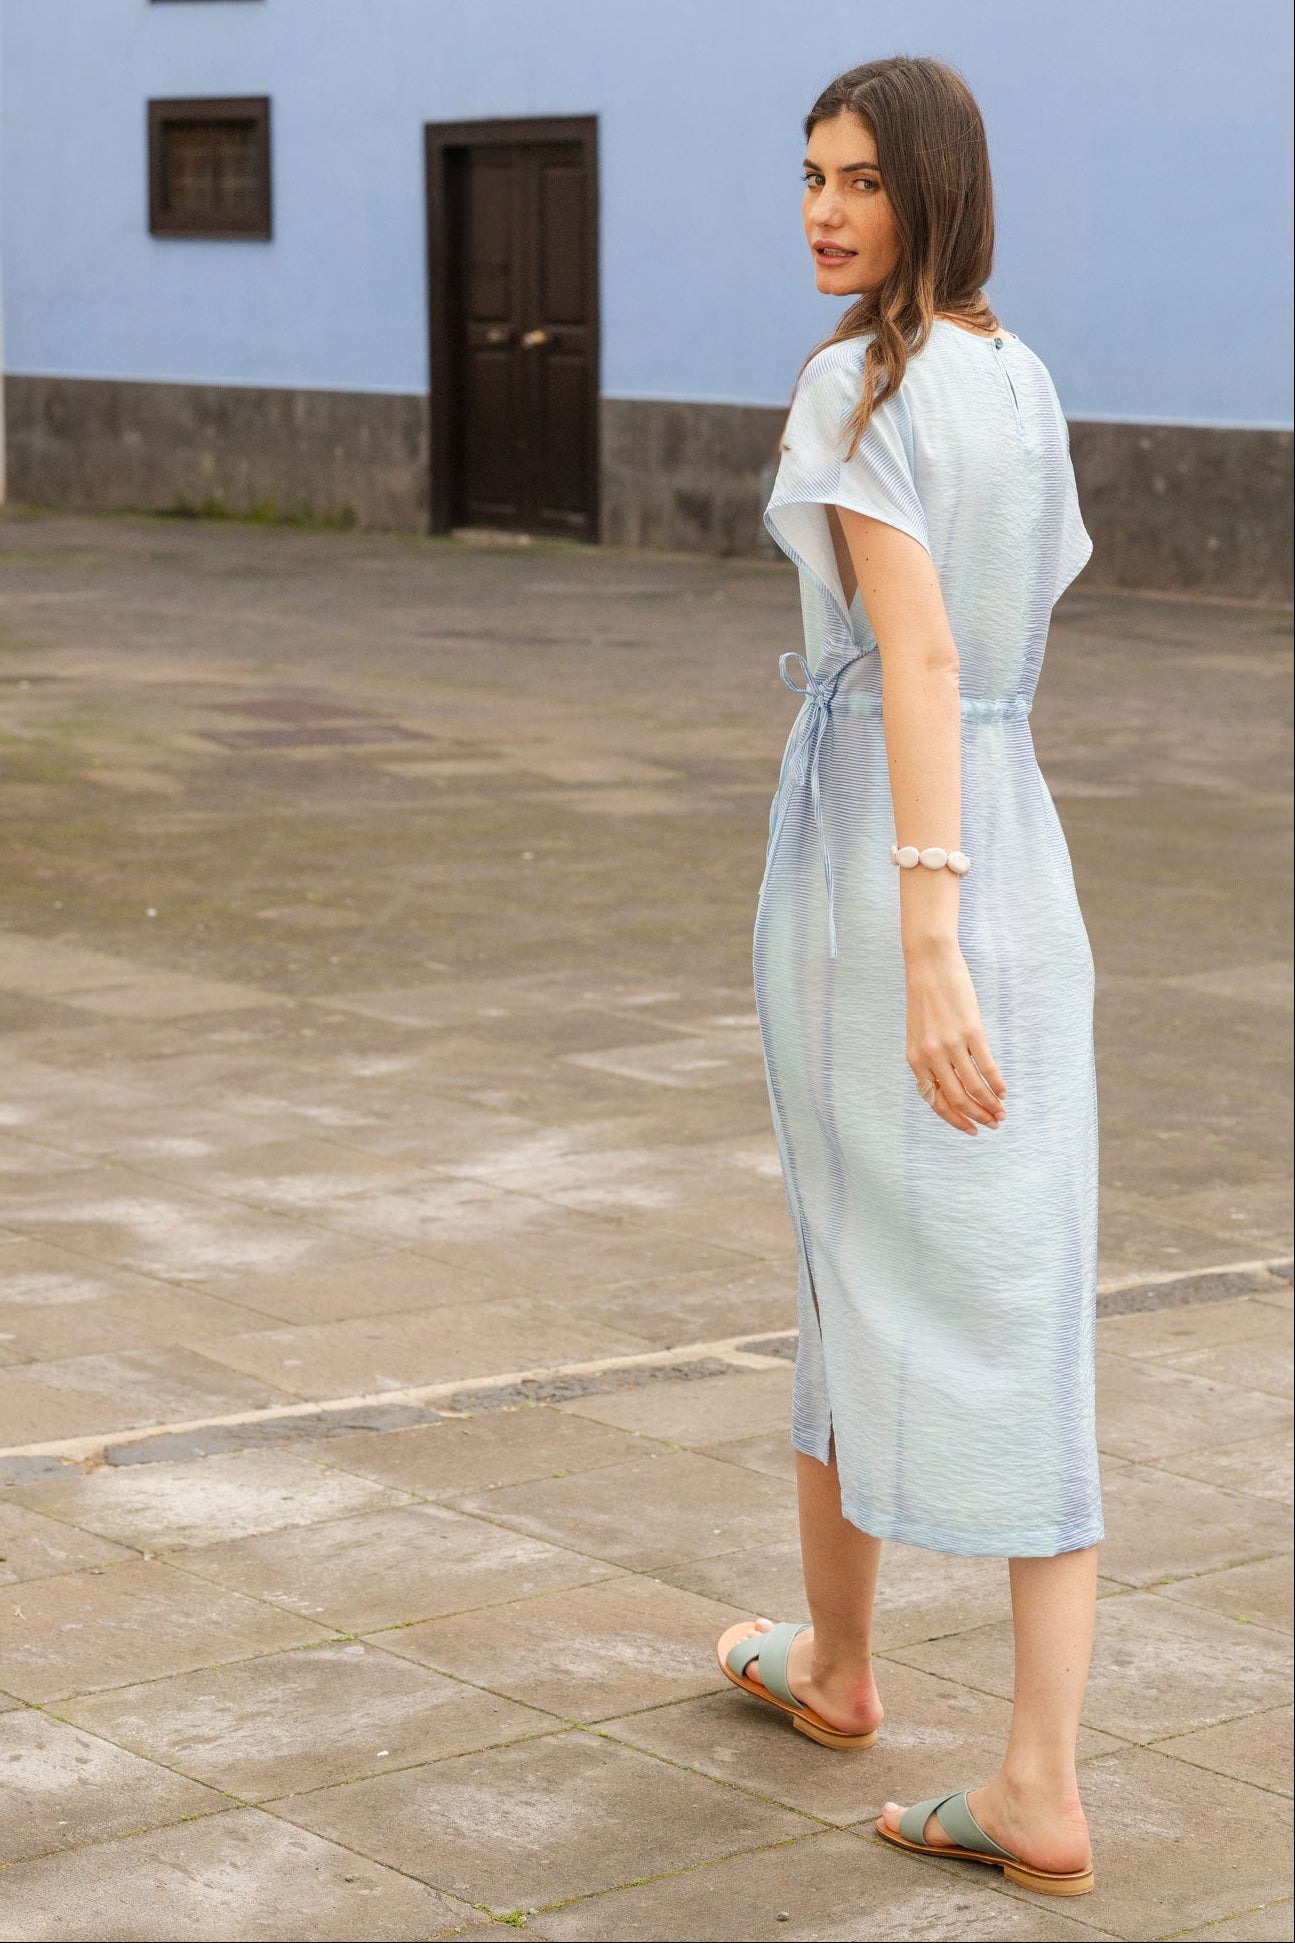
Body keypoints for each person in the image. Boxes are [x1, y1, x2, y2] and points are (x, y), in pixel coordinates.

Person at [716, 56, 1100, 1899]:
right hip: (1028, 851)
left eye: (860, 180)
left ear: (929, 185)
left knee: (843, 1246)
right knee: (1029, 1284)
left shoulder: (857, 383)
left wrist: (925, 925)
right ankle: (1014, 1759)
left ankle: (852, 1669)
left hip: (897, 866)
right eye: (809, 176)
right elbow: (1011, 648)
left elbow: (925, 660)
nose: (822, 211)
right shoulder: (1019, 377)